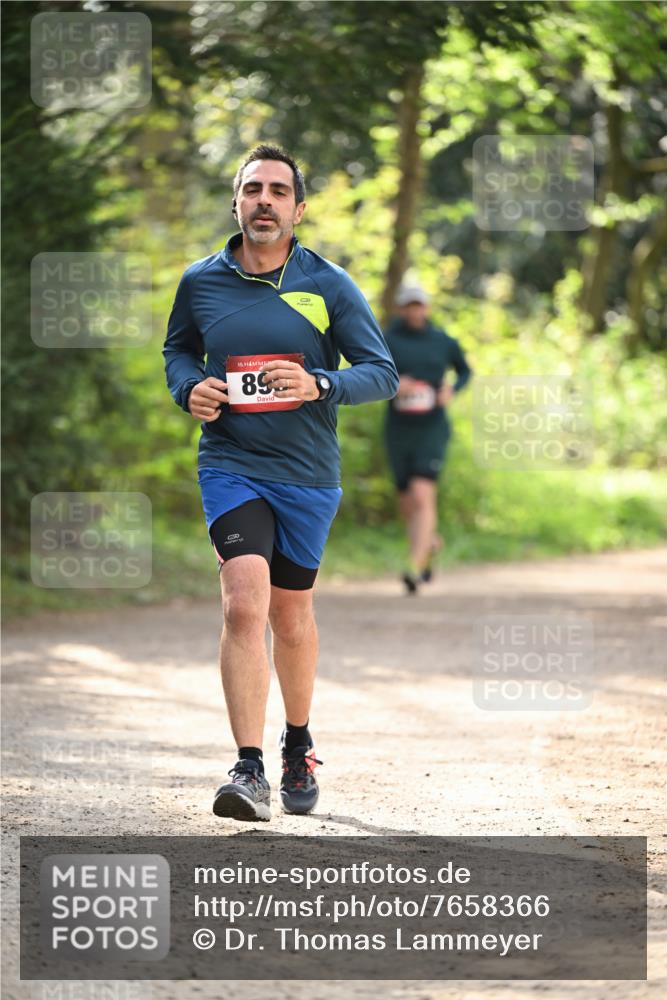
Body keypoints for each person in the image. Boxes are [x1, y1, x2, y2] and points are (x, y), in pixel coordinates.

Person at [163, 144, 398, 822]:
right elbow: (178, 349)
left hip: (307, 475)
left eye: (277, 191)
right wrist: (190, 389)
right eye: (252, 190)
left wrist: (321, 381)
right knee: (244, 602)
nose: (264, 201)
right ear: (235, 202)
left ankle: (298, 741)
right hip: (231, 464)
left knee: (291, 616)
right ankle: (248, 766)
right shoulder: (200, 281)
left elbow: (379, 371)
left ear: (298, 208)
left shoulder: (328, 285)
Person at [383, 284, 472, 595]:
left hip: (432, 428)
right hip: (398, 428)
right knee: (407, 503)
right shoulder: (388, 340)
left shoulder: (443, 341)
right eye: (409, 305)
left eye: (419, 305)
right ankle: (429, 542)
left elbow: (464, 372)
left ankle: (414, 567)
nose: (414, 311)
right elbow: (371, 370)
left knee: (423, 495)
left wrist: (451, 389)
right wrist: (394, 384)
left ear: (427, 308)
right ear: (401, 308)